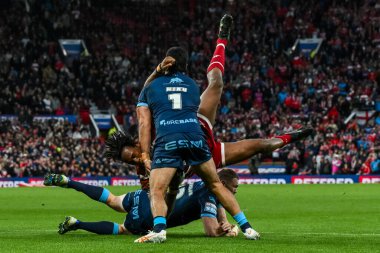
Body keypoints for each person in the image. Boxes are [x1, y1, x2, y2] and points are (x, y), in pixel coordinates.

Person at [135, 14, 259, 243]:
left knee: (158, 190)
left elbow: (144, 122)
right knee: (214, 183)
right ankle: (247, 227)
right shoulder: (192, 85)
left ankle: (160, 230)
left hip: (168, 139)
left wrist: (144, 155)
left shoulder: (151, 87)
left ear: (166, 63)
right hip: (195, 137)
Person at [43, 169, 241, 238]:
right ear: (222, 184)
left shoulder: (204, 185)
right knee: (122, 230)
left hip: (147, 196)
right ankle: (77, 223)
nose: (235, 192)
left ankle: (69, 182)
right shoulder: (208, 195)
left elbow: (219, 211)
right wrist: (229, 230)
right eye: (234, 188)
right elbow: (211, 231)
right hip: (152, 214)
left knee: (112, 199)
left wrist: (225, 223)